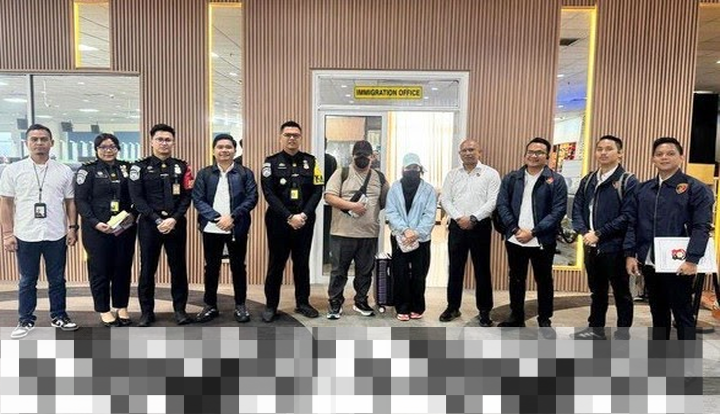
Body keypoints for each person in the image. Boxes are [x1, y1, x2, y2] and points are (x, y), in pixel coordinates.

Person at [624, 137, 713, 340]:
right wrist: (630, 254)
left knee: (683, 314)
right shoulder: (643, 189)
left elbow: (701, 227)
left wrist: (692, 259)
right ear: (653, 159)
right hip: (650, 262)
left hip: (680, 264)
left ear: (681, 157)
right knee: (658, 312)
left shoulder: (696, 188)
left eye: (670, 153)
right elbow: (632, 223)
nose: (664, 157)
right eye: (659, 154)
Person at [0, 124, 79, 339]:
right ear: (26, 143)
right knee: (27, 280)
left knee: (57, 279)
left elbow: (70, 202)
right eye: (34, 139)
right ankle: (25, 319)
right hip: (26, 233)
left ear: (51, 143)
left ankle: (59, 316)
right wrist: (7, 234)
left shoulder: (63, 170)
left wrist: (72, 228)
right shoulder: (13, 170)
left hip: (56, 233)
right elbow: (5, 203)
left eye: (44, 139)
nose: (39, 143)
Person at [496, 137, 567, 330]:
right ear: (525, 154)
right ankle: (516, 317)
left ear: (548, 156)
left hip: (542, 240)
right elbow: (502, 205)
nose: (534, 156)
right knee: (516, 279)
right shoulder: (512, 178)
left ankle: (544, 318)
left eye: (539, 153)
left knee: (544, 280)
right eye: (531, 152)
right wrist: (515, 229)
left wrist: (534, 232)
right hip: (515, 238)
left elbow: (558, 211)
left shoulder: (556, 181)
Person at [570, 135, 637, 340]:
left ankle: (623, 334)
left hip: (615, 247)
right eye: (599, 149)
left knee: (621, 293)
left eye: (609, 149)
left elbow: (628, 216)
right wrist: (584, 232)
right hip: (591, 245)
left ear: (620, 153)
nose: (603, 153)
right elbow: (577, 208)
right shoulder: (589, 179)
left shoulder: (628, 180)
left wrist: (599, 234)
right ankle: (595, 329)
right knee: (597, 291)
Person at [128, 123, 193, 327]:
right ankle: (147, 312)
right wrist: (157, 220)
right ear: (151, 142)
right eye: (160, 139)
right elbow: (137, 199)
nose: (164, 143)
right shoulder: (139, 167)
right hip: (149, 225)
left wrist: (174, 218)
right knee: (148, 269)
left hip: (176, 224)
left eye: (168, 140)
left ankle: (180, 310)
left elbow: (187, 196)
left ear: (173, 142)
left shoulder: (182, 167)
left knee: (178, 268)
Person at [260, 121, 324, 322]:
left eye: (295, 135)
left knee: (302, 263)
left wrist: (303, 215)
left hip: (304, 222)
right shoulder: (270, 163)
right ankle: (271, 305)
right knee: (276, 264)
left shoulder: (311, 162)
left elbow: (317, 191)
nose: (292, 138)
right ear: (280, 137)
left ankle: (303, 303)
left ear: (300, 137)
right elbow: (269, 193)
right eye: (287, 135)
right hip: (278, 222)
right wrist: (289, 216)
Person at [192, 134, 258, 323]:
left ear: (235, 150)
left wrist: (233, 217)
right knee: (211, 268)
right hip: (211, 228)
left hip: (237, 227)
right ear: (214, 150)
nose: (224, 150)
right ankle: (210, 305)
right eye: (220, 147)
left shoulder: (245, 173)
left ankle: (240, 306)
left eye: (228, 147)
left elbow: (252, 197)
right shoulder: (204, 174)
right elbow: (198, 199)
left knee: (238, 267)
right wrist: (216, 218)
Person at [75, 133, 137, 327]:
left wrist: (132, 215)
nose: (108, 150)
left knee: (122, 267)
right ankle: (104, 309)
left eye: (112, 146)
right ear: (96, 150)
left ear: (118, 149)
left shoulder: (128, 168)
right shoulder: (87, 170)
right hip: (97, 229)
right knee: (99, 269)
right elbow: (81, 201)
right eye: (103, 147)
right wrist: (95, 222)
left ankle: (121, 306)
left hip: (124, 227)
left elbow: (137, 196)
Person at [324, 140, 389, 319]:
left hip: (368, 234)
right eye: (358, 155)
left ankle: (361, 301)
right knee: (339, 271)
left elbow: (386, 201)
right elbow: (329, 197)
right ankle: (335, 302)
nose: (362, 158)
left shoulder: (379, 178)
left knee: (365, 272)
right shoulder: (341, 173)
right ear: (352, 156)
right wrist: (352, 206)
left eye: (365, 156)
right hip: (342, 233)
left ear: (372, 157)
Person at [439, 139, 500, 326]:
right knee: (455, 268)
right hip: (457, 226)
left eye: (471, 149)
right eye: (464, 150)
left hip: (480, 226)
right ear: (460, 154)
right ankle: (452, 307)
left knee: (482, 269)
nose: (468, 153)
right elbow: (445, 199)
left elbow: (493, 201)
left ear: (479, 152)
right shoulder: (452, 175)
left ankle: (484, 311)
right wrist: (459, 218)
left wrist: (473, 218)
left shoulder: (491, 174)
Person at [385, 153, 437, 321]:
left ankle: (417, 306)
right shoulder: (394, 188)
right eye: (409, 168)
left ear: (420, 169)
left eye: (415, 168)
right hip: (400, 237)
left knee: (419, 274)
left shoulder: (428, 190)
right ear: (403, 169)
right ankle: (402, 307)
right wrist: (405, 230)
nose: (412, 171)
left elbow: (430, 214)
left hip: (421, 239)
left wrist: (417, 232)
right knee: (400, 273)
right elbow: (391, 211)